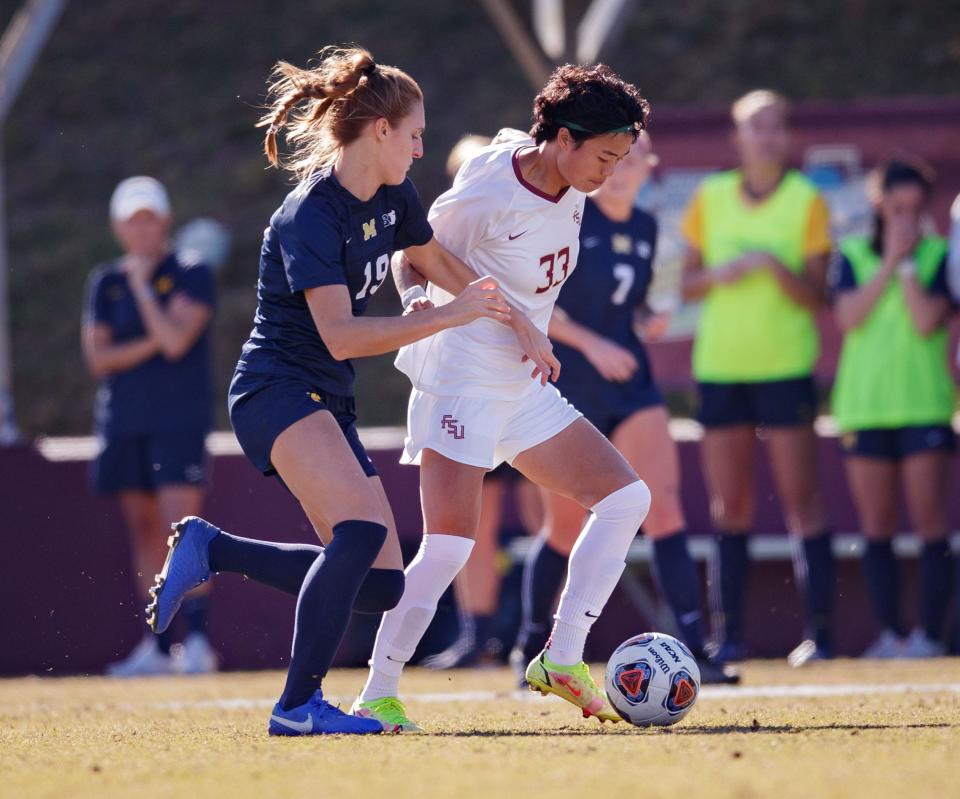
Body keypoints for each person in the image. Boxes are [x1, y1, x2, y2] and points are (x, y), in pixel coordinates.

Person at [143, 46, 548, 736]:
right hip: (275, 389)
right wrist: (447, 315)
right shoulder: (311, 216)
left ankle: (214, 550)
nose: (422, 149)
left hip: (325, 399)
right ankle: (297, 705)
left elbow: (436, 261)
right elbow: (339, 336)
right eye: (415, 134)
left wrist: (519, 322)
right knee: (360, 534)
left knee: (380, 580)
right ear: (381, 131)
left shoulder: (394, 196)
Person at [351, 63, 653, 732]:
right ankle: (377, 689)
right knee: (451, 546)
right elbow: (413, 253)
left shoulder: (563, 171)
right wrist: (423, 307)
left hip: (523, 381)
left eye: (620, 158)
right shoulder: (491, 185)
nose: (608, 171)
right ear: (565, 140)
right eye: (603, 156)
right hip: (461, 377)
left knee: (627, 497)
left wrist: (525, 328)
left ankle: (562, 656)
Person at [509, 131, 739, 685]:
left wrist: (645, 323)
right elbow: (532, 302)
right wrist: (592, 344)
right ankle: (528, 648)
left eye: (638, 155)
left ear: (650, 166)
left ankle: (697, 645)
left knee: (664, 509)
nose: (628, 164)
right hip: (567, 383)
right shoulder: (570, 213)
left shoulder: (647, 227)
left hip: (630, 384)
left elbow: (631, 304)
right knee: (563, 529)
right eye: (620, 154)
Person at [679, 89, 835, 667]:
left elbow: (817, 295)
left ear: (787, 136)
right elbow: (687, 284)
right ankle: (729, 637)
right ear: (737, 137)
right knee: (730, 505)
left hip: (785, 367)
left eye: (775, 126)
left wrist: (774, 267)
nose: (766, 136)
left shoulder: (806, 200)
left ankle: (821, 633)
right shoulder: (710, 197)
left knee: (802, 500)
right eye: (755, 127)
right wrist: (725, 271)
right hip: (720, 368)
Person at [83, 176, 218, 677]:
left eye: (149, 217)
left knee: (181, 531)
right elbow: (99, 358)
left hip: (177, 420)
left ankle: (199, 641)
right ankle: (158, 645)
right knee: (143, 531)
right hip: (124, 422)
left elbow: (177, 341)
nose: (141, 228)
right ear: (119, 227)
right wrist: (150, 344)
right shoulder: (104, 280)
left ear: (164, 221)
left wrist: (143, 291)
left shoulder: (190, 271)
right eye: (132, 219)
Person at [422, 134, 545, 670]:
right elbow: (419, 261)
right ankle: (477, 634)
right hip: (471, 387)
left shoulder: (524, 219)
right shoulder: (454, 232)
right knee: (472, 524)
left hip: (521, 385)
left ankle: (535, 631)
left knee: (548, 514)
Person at [832, 158, 956, 658]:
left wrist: (906, 263)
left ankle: (928, 635)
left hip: (925, 403)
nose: (905, 217)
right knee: (877, 524)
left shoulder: (941, 256)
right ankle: (891, 634)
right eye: (895, 206)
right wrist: (887, 263)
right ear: (877, 202)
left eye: (914, 209)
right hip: (863, 407)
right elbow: (848, 317)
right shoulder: (853, 253)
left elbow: (928, 321)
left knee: (930, 522)